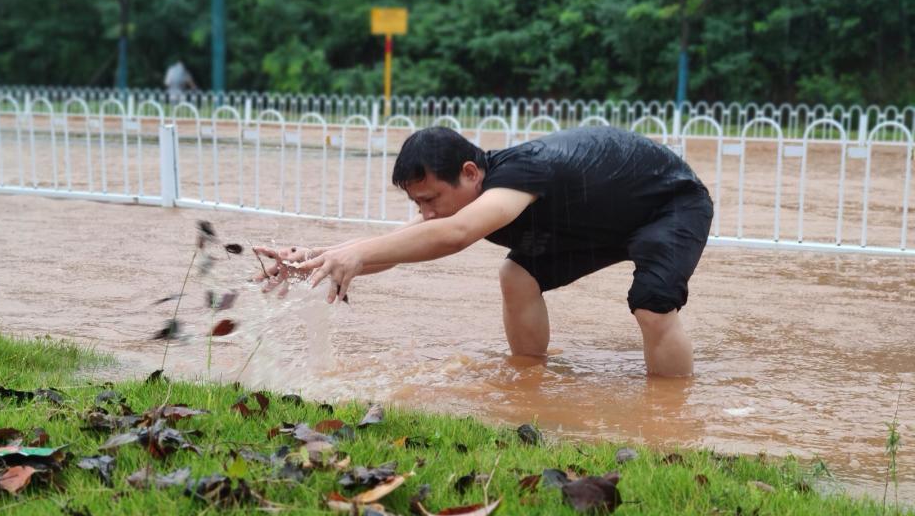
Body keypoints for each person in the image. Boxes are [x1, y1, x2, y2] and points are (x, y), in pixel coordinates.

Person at [254, 126, 713, 377]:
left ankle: (669, 415)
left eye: (431, 199)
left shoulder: (519, 174)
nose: (426, 213)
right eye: (418, 204)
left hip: (669, 205)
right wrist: (317, 259)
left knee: (652, 306)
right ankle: (531, 377)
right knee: (517, 276)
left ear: (471, 173)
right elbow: (401, 246)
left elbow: (456, 234)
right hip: (593, 222)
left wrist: (351, 254)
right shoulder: (469, 196)